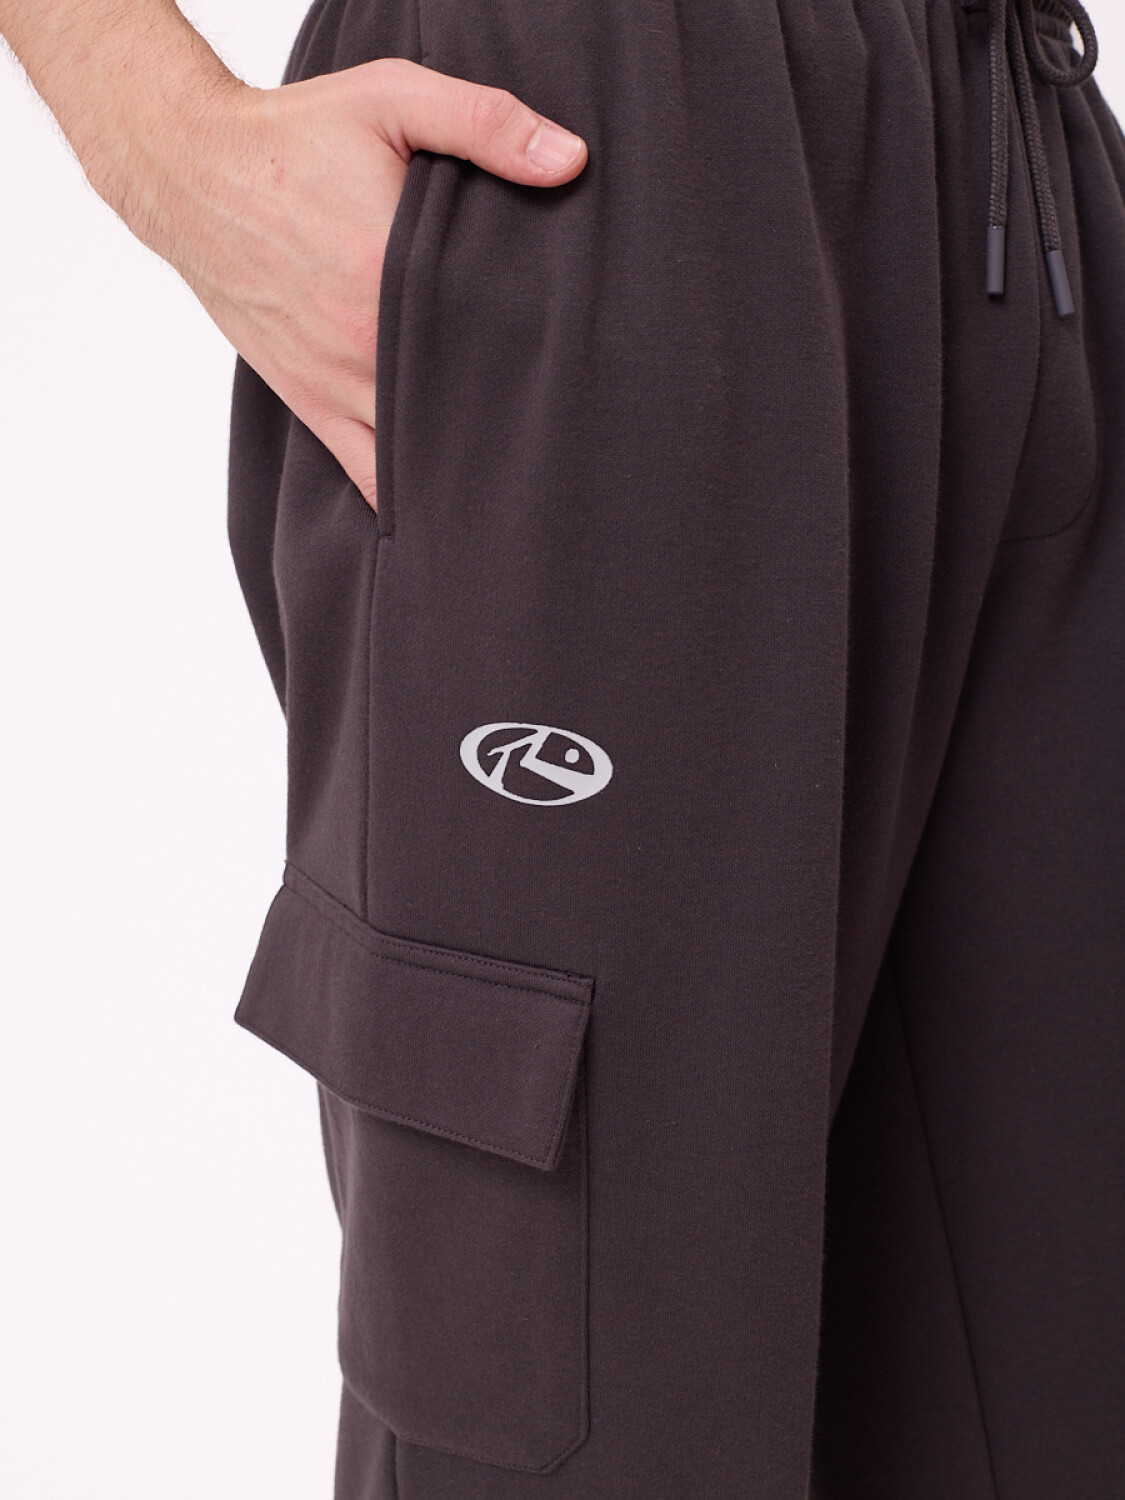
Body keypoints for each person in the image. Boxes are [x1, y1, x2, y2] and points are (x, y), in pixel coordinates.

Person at [4, 0, 1122, 1496]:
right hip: (593, 157)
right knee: (588, 1419)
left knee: (1048, 1365)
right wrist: (174, 138)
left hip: (1009, 147)